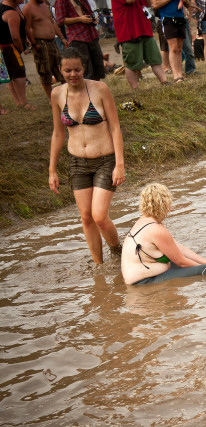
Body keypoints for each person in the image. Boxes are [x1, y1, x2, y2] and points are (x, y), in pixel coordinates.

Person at [48, 47, 124, 265]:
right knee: (86, 218)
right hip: (77, 162)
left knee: (99, 216)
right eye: (67, 71)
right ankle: (99, 268)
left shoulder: (100, 89)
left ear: (84, 68)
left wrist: (119, 164)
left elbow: (116, 128)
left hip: (104, 159)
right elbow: (57, 133)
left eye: (77, 70)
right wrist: (52, 169)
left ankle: (117, 250)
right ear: (60, 71)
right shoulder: (56, 94)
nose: (73, 75)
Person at [121, 184, 206, 284]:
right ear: (164, 205)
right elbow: (181, 261)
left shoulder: (145, 221)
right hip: (144, 282)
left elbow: (179, 249)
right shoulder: (156, 229)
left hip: (151, 273)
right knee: (204, 270)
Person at [111, 0, 168, 89]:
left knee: (155, 58)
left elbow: (149, 4)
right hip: (129, 32)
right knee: (132, 63)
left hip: (144, 29)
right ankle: (135, 89)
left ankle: (164, 82)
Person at [23, 0, 65, 101]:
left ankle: (67, 94)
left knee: (60, 68)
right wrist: (33, 44)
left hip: (52, 42)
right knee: (44, 71)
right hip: (40, 43)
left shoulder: (45, 6)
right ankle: (52, 99)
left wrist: (62, 37)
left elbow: (52, 22)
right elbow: (27, 29)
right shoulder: (28, 8)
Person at [54, 0, 105, 81]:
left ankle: (95, 90)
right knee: (86, 71)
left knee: (98, 68)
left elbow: (89, 12)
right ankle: (86, 92)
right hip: (78, 38)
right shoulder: (60, 1)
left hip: (91, 35)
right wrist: (79, 19)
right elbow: (60, 20)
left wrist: (94, 19)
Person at [1, 0, 34, 110]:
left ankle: (19, 102)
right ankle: (24, 103)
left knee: (10, 75)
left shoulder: (14, 8)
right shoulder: (11, 13)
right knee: (19, 74)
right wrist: (20, 48)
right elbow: (15, 37)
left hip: (5, 47)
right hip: (9, 47)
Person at [154, 0, 188, 81]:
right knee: (173, 48)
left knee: (179, 49)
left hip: (180, 18)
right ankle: (176, 76)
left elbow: (188, 5)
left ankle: (180, 74)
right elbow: (155, 5)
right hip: (167, 18)